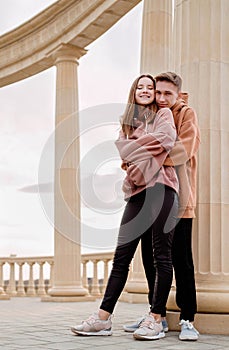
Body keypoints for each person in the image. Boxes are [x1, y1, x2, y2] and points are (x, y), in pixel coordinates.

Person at [71, 74, 179, 340]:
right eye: (140, 87)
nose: (145, 90)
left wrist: (135, 151)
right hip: (136, 194)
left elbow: (165, 141)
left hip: (162, 189)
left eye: (150, 87)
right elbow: (123, 152)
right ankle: (103, 319)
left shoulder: (163, 115)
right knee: (121, 257)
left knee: (161, 256)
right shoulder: (127, 124)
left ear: (155, 93)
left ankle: (156, 319)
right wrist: (146, 152)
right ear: (133, 92)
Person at [123, 72, 200, 341]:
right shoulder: (150, 115)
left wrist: (148, 156)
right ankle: (157, 316)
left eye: (168, 93)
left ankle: (188, 318)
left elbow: (183, 150)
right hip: (149, 199)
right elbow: (128, 151)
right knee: (149, 259)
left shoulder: (186, 114)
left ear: (178, 94)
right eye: (159, 93)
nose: (162, 98)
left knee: (181, 260)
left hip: (180, 200)